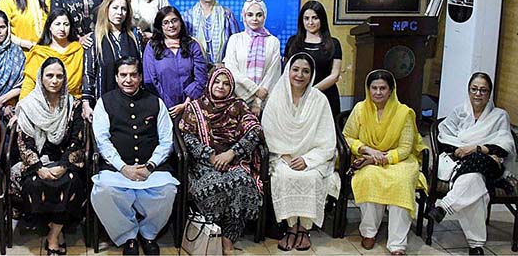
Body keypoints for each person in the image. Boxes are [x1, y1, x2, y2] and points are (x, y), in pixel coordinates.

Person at [91, 56, 178, 255]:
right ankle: (128, 236)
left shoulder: (156, 102)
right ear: (116, 77)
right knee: (103, 191)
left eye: (133, 75)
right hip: (117, 168)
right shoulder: (105, 103)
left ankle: (148, 234)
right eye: (123, 75)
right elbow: (102, 141)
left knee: (167, 190)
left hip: (151, 168)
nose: (128, 80)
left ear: (140, 77)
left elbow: (166, 141)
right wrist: (123, 167)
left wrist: (150, 166)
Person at [426, 72, 516, 255]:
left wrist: (476, 149)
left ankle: (445, 205)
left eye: (483, 90)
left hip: (491, 165)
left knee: (477, 161)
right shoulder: (459, 112)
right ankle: (476, 244)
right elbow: (444, 138)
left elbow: (504, 146)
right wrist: (470, 151)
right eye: (474, 89)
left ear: (489, 93)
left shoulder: (499, 116)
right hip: (461, 165)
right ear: (468, 91)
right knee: (475, 180)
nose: (478, 94)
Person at [343, 70, 427, 256]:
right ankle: (369, 232)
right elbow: (347, 137)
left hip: (399, 161)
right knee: (369, 177)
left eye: (383, 88)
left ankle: (397, 243)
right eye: (374, 88)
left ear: (391, 91)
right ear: (368, 89)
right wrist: (367, 150)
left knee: (401, 182)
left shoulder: (404, 113)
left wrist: (380, 158)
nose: (378, 92)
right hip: (368, 159)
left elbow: (405, 148)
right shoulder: (359, 109)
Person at [180, 68, 264, 255]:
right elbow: (186, 137)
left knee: (242, 181)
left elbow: (255, 130)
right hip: (203, 163)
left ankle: (228, 239)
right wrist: (210, 156)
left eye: (226, 83)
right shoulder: (195, 107)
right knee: (215, 184)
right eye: (217, 81)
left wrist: (232, 153)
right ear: (210, 83)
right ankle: (212, 236)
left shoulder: (239, 106)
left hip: (233, 161)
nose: (221, 86)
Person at [262, 53, 339, 252]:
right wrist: (286, 157)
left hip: (313, 158)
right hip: (282, 157)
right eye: (295, 70)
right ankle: (290, 228)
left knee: (312, 177)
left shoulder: (319, 99)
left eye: (306, 71)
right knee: (285, 176)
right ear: (288, 71)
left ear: (312, 75)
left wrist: (307, 160)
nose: (300, 75)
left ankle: (304, 229)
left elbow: (327, 140)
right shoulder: (275, 98)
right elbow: (269, 133)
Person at [14, 58, 86, 256]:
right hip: (38, 162)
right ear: (41, 78)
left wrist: (63, 165)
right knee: (34, 183)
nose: (55, 80)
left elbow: (77, 140)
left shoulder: (73, 105)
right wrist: (39, 167)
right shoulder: (29, 105)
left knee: (71, 182)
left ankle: (54, 233)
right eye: (50, 76)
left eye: (59, 76)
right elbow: (25, 142)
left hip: (65, 161)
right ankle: (55, 229)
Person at [82, 0, 142, 121]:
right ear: (106, 9)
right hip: (103, 103)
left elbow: (141, 69)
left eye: (123, 9)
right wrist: (86, 103)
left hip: (132, 105)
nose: (119, 12)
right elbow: (88, 73)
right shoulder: (94, 38)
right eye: (115, 8)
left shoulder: (135, 36)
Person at [143, 6, 208, 121]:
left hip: (191, 107)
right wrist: (167, 105)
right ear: (160, 26)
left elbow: (201, 78)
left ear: (180, 22)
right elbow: (150, 80)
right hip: (161, 108)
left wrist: (186, 103)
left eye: (174, 21)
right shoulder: (152, 46)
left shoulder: (192, 45)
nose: (171, 26)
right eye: (166, 23)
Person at [223, 0, 281, 116]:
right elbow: (231, 69)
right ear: (244, 16)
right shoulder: (235, 39)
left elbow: (272, 74)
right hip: (237, 100)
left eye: (259, 15)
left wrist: (258, 102)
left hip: (264, 104)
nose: (254, 19)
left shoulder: (273, 42)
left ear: (264, 17)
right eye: (250, 15)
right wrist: (255, 90)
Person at [285, 0, 342, 117]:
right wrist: (299, 94)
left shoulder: (333, 43)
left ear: (322, 19)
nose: (310, 22)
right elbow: (285, 71)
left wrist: (311, 91)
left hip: (325, 96)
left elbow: (334, 75)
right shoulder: (292, 42)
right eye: (306, 18)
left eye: (315, 18)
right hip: (296, 97)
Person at [20, 9, 84, 100]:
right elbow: (29, 83)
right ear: (49, 27)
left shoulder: (78, 50)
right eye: (57, 24)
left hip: (74, 102)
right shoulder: (40, 53)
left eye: (66, 24)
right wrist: (22, 107)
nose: (62, 29)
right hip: (43, 103)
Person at [183, 0, 240, 65]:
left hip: (223, 70)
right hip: (195, 69)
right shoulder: (188, 17)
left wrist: (225, 64)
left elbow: (237, 44)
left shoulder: (227, 16)